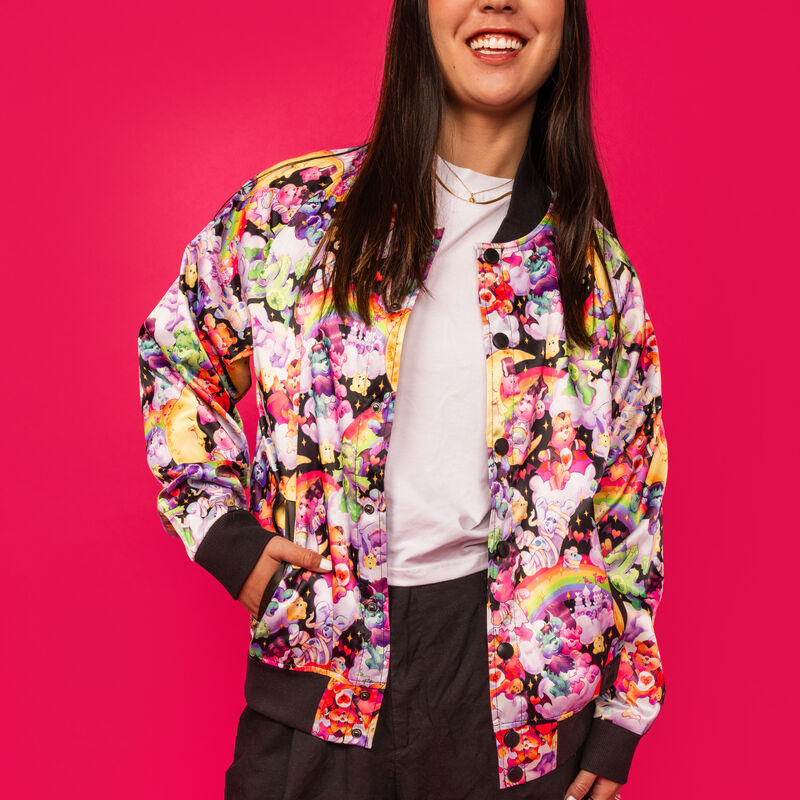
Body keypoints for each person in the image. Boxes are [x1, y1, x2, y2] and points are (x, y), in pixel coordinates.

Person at [136, 1, 668, 798]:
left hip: (523, 726)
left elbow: (632, 498)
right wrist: (226, 536)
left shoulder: (595, 276)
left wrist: (624, 710)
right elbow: (178, 352)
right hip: (324, 689)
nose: (498, 2)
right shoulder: (293, 218)